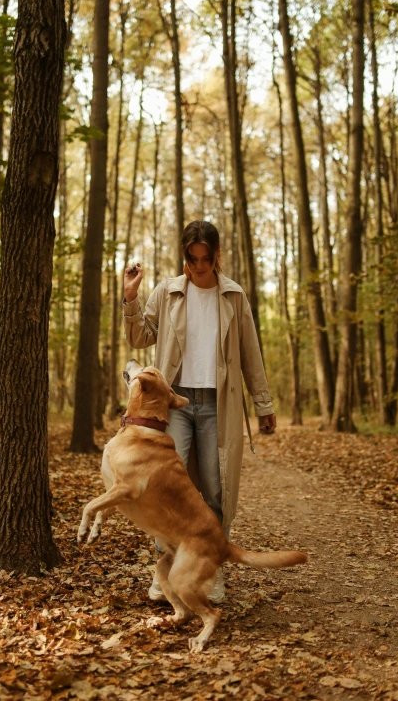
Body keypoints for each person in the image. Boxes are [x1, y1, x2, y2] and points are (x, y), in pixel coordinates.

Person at [122, 220, 275, 604]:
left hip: (218, 404)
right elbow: (141, 336)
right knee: (165, 488)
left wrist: (263, 403)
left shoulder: (234, 296)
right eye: (192, 259)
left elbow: (250, 354)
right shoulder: (168, 292)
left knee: (214, 491)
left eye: (206, 258)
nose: (199, 266)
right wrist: (130, 298)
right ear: (185, 257)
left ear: (216, 256)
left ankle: (210, 572)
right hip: (174, 403)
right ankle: (165, 571)